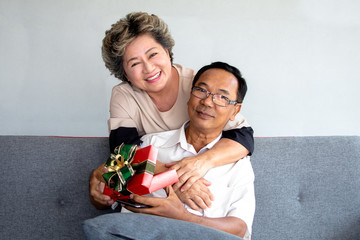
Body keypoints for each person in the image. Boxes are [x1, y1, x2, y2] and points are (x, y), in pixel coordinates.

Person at [89, 12, 254, 211]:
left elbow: (243, 137)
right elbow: (125, 153)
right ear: (124, 73)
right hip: (155, 186)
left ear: (167, 51)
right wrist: (175, 182)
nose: (149, 68)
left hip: (203, 182)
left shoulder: (200, 87)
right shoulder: (123, 96)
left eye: (153, 54)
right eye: (134, 63)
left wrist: (201, 163)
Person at [83, 62, 255, 240]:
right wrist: (99, 181)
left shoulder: (239, 164)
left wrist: (181, 216)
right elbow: (104, 191)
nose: (207, 102)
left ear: (235, 110)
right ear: (189, 96)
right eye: (201, 90)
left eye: (222, 97)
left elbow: (239, 229)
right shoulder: (150, 145)